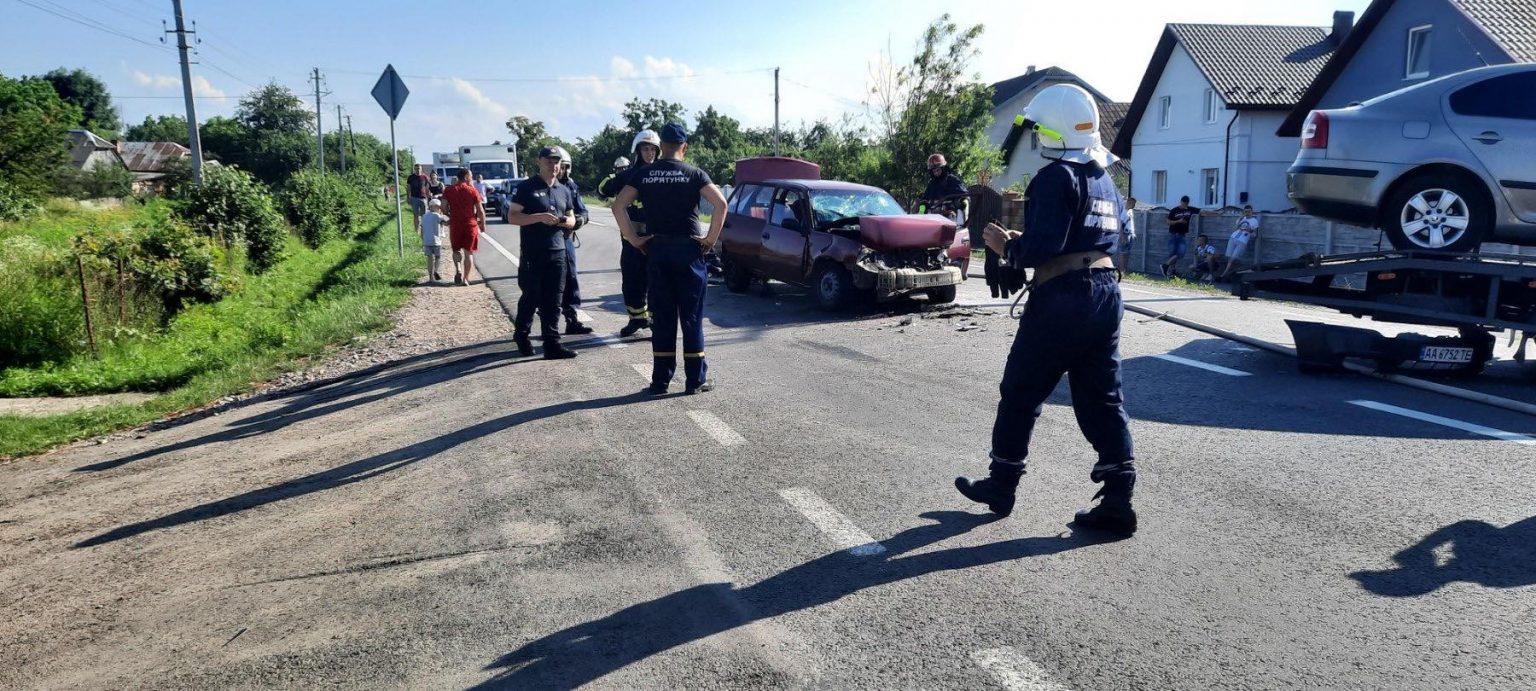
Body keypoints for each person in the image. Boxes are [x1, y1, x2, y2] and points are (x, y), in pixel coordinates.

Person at [954, 83, 1139, 537]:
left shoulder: (1056, 177)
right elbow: (1118, 239)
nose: (1036, 138)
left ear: (1054, 132)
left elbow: (1045, 246)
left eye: (1039, 129)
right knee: (1103, 399)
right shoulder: (1105, 179)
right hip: (1105, 292)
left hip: (1063, 298)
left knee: (1021, 391)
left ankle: (1002, 485)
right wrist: (1032, 249)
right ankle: (1118, 499)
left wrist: (1005, 247)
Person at [611, 123, 729, 395]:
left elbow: (618, 206)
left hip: (657, 249)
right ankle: (695, 380)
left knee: (662, 317)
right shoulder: (694, 173)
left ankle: (660, 381)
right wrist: (710, 240)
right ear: (684, 148)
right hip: (689, 251)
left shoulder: (645, 174)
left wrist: (633, 239)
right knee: (691, 318)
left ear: (661, 146)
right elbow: (721, 204)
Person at [505, 147, 579, 359]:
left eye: (557, 162)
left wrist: (565, 221)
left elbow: (572, 218)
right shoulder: (527, 188)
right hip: (534, 253)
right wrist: (538, 217)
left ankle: (552, 344)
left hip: (558, 251)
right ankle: (521, 334)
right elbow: (513, 216)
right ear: (539, 162)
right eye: (549, 161)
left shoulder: (563, 189)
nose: (553, 166)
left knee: (554, 300)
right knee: (531, 297)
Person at [601, 130, 662, 338]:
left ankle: (656, 321)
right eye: (645, 148)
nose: (650, 153)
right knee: (631, 280)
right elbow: (603, 190)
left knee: (656, 282)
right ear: (637, 151)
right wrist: (615, 177)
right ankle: (636, 319)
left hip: (656, 238)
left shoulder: (662, 174)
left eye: (653, 149)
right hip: (631, 239)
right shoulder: (627, 176)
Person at [555, 147, 595, 336]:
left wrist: (577, 221)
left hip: (566, 239)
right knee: (545, 283)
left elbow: (583, 211)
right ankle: (547, 325)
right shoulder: (538, 186)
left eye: (565, 167)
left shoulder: (570, 186)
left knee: (570, 279)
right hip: (544, 242)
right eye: (559, 166)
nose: (562, 170)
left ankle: (572, 320)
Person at [440, 167, 486, 286]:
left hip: (455, 224)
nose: (472, 178)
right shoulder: (473, 191)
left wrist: (449, 214)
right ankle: (465, 279)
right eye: (470, 176)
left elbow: (443, 208)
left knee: (456, 250)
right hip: (470, 224)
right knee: (468, 253)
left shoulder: (449, 190)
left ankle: (458, 270)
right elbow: (480, 210)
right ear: (466, 177)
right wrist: (482, 224)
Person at [918, 153, 967, 221]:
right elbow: (925, 199)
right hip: (934, 218)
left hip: (951, 217)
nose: (936, 173)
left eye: (938, 170)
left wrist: (961, 204)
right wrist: (922, 207)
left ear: (943, 168)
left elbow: (963, 195)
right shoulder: (931, 184)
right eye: (934, 171)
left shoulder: (952, 180)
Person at [1160, 195, 1198, 278]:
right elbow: (1168, 222)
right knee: (1175, 253)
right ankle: (1170, 269)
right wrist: (1178, 221)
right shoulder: (1175, 210)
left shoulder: (1190, 209)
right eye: (1184, 203)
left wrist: (1216, 212)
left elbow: (1201, 211)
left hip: (1182, 234)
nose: (1185, 205)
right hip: (1174, 234)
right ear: (1181, 202)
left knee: (1180, 253)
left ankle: (1167, 267)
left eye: (1186, 203)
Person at [1221, 205, 1259, 280]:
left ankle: (1224, 275)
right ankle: (1231, 274)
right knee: (1228, 257)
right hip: (1233, 237)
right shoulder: (1242, 218)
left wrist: (1249, 230)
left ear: (1252, 212)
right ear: (1244, 212)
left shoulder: (1254, 221)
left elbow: (1255, 235)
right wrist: (1239, 220)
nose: (1247, 213)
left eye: (1249, 211)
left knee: (1233, 258)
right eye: (1246, 211)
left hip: (1242, 241)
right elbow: (1236, 228)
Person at [420, 198, 447, 282]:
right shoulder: (437, 216)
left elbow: (421, 228)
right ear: (434, 207)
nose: (439, 209)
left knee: (429, 259)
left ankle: (430, 277)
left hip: (427, 240)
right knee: (438, 257)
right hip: (436, 241)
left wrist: (423, 238)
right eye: (438, 207)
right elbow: (445, 222)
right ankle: (436, 271)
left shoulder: (424, 216)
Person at [406, 164, 431, 234]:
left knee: (424, 216)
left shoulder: (425, 177)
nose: (418, 170)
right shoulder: (411, 177)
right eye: (416, 168)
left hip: (423, 198)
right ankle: (416, 231)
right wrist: (408, 197)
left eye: (419, 168)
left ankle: (423, 230)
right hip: (414, 198)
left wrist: (428, 198)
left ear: (421, 169)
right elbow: (408, 188)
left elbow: (427, 188)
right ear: (414, 169)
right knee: (415, 215)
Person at [1117, 196, 1137, 280]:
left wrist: (1133, 233)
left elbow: (1131, 224)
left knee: (1127, 254)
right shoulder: (1124, 212)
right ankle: (1121, 272)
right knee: (1123, 253)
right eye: (1133, 203)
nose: (1134, 206)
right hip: (1125, 234)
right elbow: (1120, 226)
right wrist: (1122, 237)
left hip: (1130, 234)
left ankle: (1124, 270)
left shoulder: (1130, 211)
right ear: (1129, 202)